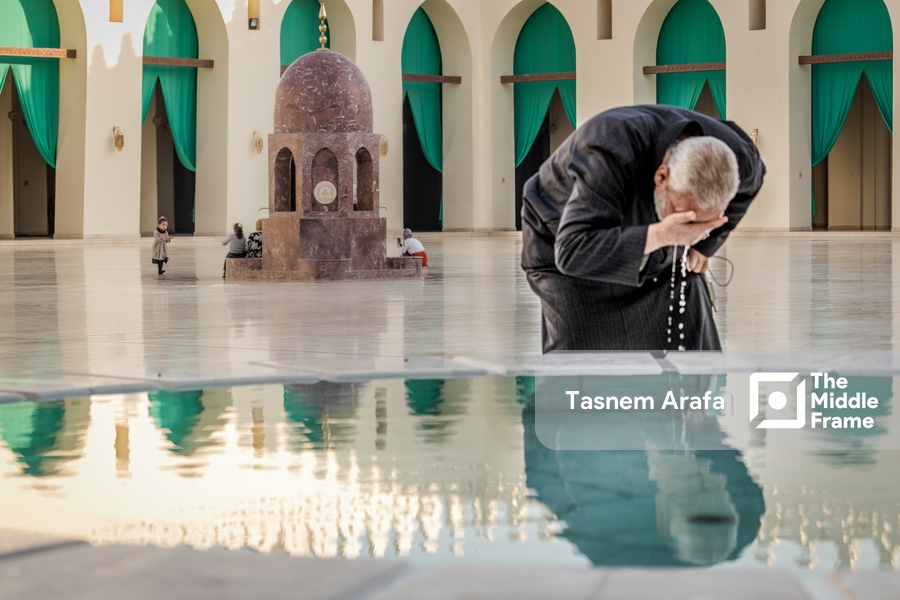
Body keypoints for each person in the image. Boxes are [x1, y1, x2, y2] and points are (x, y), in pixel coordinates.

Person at [521, 105, 765, 353]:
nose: (689, 230)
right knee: (582, 364)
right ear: (661, 177)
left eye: (701, 221)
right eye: (685, 217)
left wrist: (704, 244)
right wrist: (662, 234)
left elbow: (751, 186)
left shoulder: (740, 157)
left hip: (649, 229)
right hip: (563, 239)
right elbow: (572, 252)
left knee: (690, 350)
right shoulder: (606, 152)